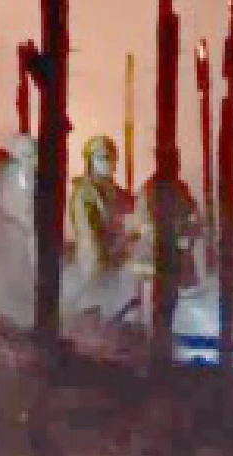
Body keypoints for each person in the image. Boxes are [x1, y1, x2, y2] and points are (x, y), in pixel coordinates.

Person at [135, 154, 202, 361]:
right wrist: (172, 236)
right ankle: (153, 348)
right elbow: (146, 225)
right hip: (153, 260)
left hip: (177, 257)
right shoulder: (149, 190)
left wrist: (189, 234)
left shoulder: (181, 188)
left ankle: (171, 345)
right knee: (154, 306)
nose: (175, 167)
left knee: (175, 303)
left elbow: (194, 215)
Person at [67, 134, 138, 327]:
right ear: (90, 161)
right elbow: (87, 232)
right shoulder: (84, 194)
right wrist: (102, 256)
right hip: (96, 260)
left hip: (119, 258)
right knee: (99, 307)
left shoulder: (117, 192)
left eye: (110, 157)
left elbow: (134, 215)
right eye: (102, 157)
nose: (107, 162)